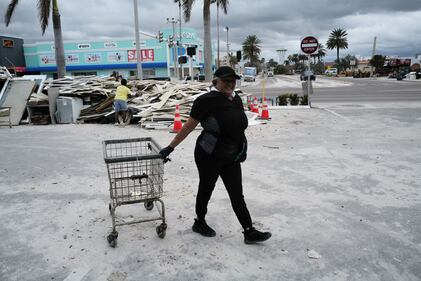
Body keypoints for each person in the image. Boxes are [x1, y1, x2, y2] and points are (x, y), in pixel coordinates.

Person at [159, 66, 271, 244]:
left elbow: (237, 126)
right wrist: (170, 147)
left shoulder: (236, 100)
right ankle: (199, 222)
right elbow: (188, 126)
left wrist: (242, 148)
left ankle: (249, 231)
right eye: (226, 80)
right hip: (208, 154)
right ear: (215, 81)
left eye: (233, 80)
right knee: (206, 188)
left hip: (231, 155)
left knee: (237, 194)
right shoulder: (205, 100)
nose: (230, 84)